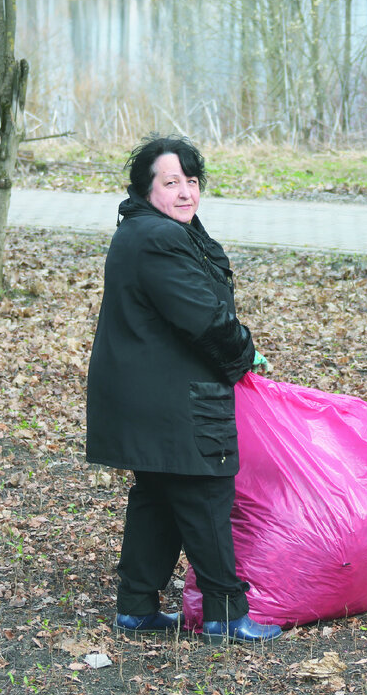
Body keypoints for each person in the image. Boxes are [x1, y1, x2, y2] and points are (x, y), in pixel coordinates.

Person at [85, 134, 282, 642]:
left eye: (191, 182)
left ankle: (136, 607)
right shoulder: (159, 238)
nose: (185, 193)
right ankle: (224, 616)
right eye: (171, 182)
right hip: (175, 400)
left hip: (149, 394)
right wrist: (243, 354)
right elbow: (204, 319)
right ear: (146, 187)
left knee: (156, 495)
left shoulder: (153, 230)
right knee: (205, 492)